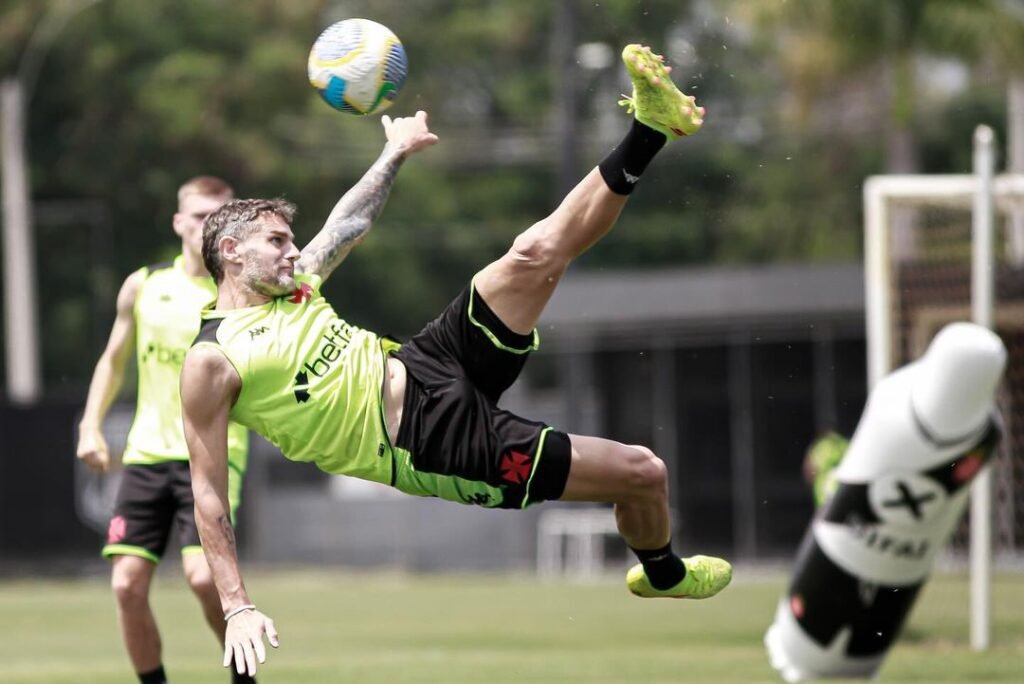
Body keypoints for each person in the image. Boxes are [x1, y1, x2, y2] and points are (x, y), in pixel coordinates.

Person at [182, 44, 733, 677]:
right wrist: (236, 606)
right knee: (642, 472)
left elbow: (348, 222)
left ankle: (651, 127)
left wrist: (394, 152)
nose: (292, 251)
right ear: (232, 252)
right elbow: (208, 494)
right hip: (433, 442)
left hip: (428, 362)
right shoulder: (212, 359)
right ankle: (664, 573)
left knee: (532, 253)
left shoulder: (296, 282)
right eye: (277, 241)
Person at [76, 176, 254, 684]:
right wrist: (90, 426)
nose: (207, 225)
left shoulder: (240, 294)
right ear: (179, 222)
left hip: (213, 454)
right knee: (126, 585)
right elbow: (113, 361)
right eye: (199, 215)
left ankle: (244, 679)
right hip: (147, 454)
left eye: (219, 216)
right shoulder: (144, 285)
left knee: (202, 578)